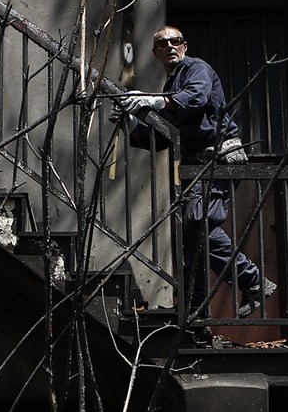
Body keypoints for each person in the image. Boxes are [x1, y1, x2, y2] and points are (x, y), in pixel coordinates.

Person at [118, 25, 275, 318]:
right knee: (192, 237)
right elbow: (164, 137)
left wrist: (152, 100)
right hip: (197, 167)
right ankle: (196, 309)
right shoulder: (171, 88)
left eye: (175, 41)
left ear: (185, 46)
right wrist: (131, 123)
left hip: (219, 158)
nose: (170, 47)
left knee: (199, 224)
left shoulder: (195, 69)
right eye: (162, 44)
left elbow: (197, 97)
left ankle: (251, 280)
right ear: (155, 52)